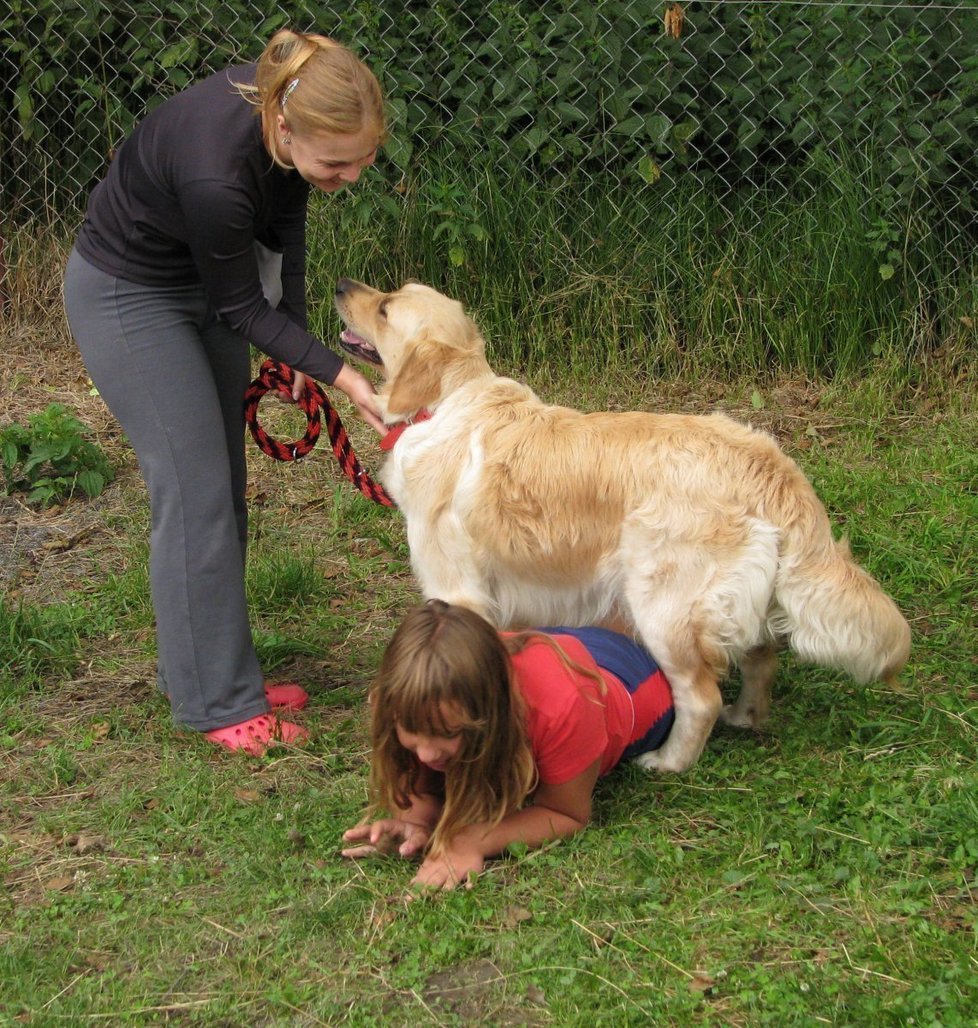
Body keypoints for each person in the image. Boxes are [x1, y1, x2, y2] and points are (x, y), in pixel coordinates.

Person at [62, 29, 389, 755]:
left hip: (205, 286)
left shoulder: (291, 112)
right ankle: (216, 701)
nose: (351, 177)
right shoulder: (217, 167)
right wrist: (342, 376)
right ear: (282, 125)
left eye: (362, 160)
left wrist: (299, 338)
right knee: (194, 490)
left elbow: (287, 224)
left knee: (223, 487)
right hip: (130, 296)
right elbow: (244, 309)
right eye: (336, 163)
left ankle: (207, 671)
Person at [341, 600, 675, 890]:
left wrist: (473, 840)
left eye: (448, 733)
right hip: (554, 640)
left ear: (492, 712)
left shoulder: (564, 706)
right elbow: (423, 785)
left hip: (634, 678)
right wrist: (417, 822)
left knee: (639, 633)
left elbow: (566, 813)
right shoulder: (400, 701)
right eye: (413, 734)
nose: (426, 754)